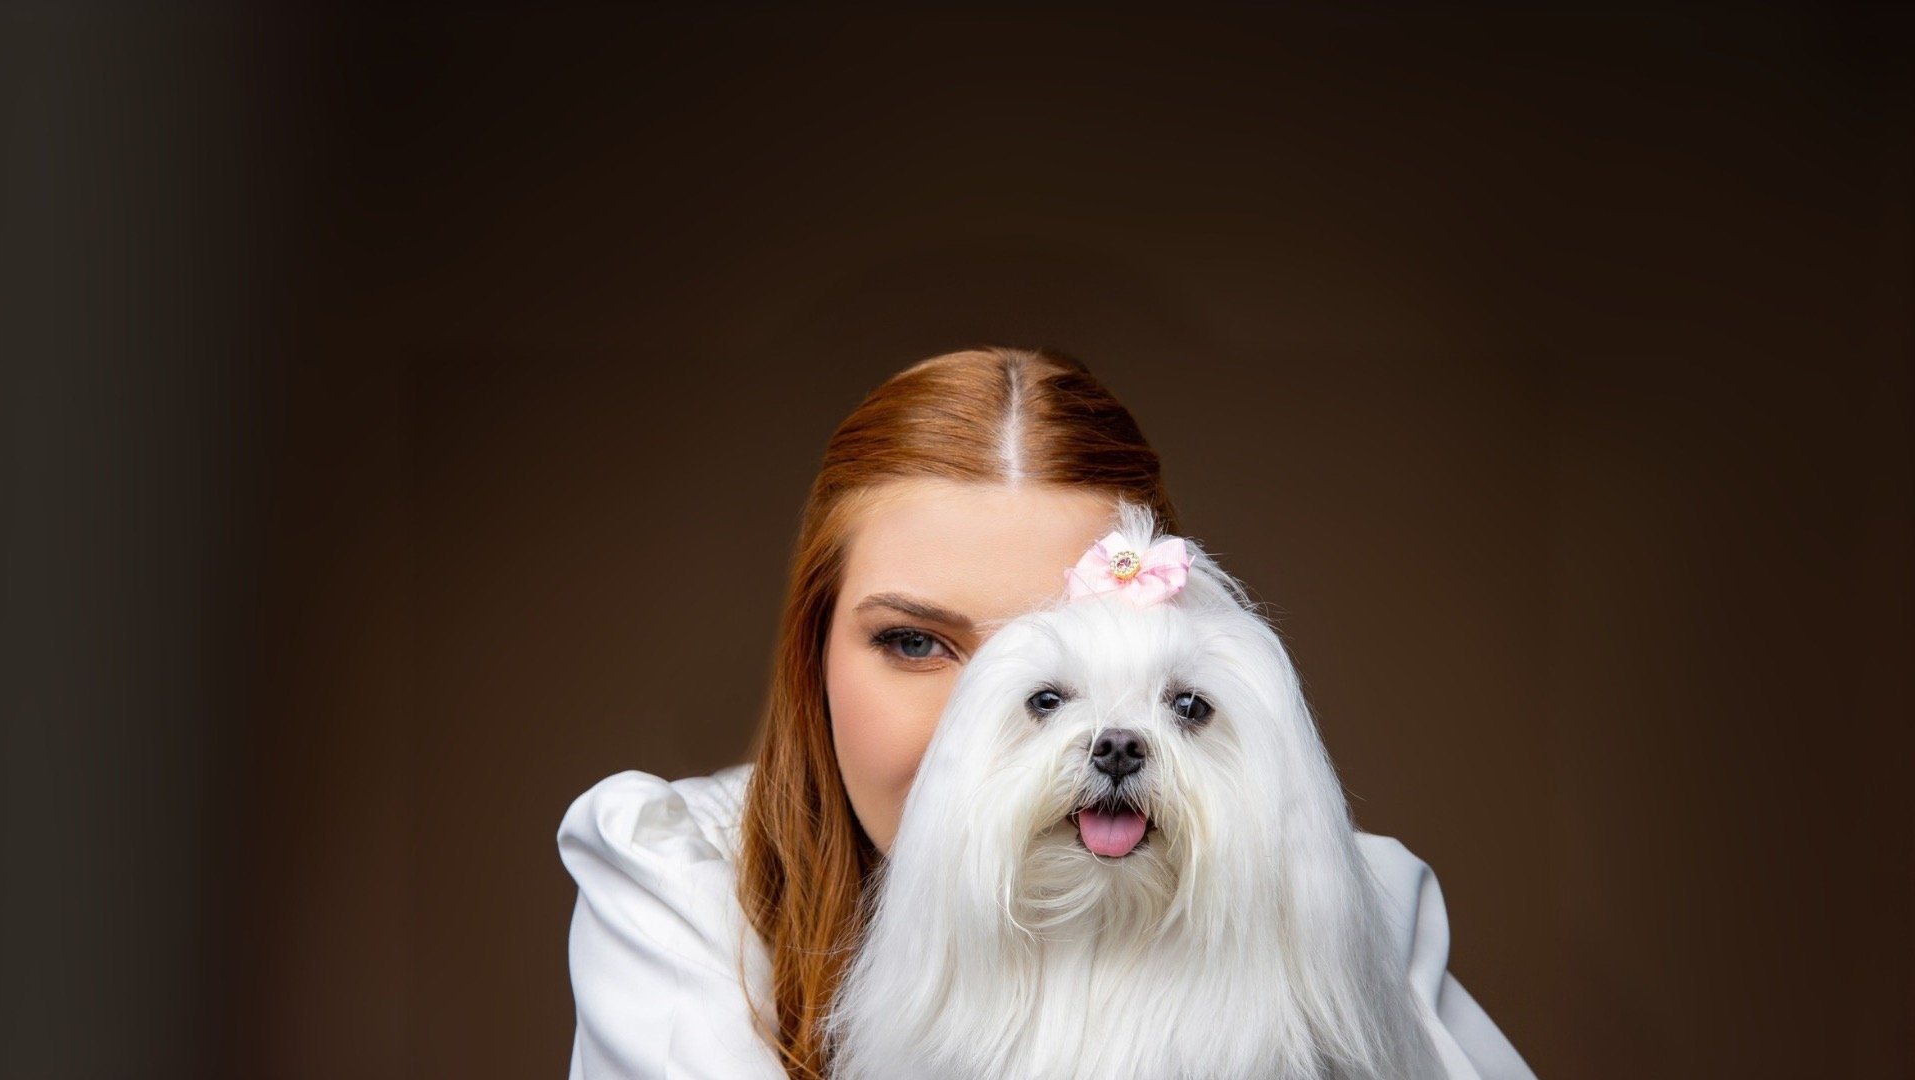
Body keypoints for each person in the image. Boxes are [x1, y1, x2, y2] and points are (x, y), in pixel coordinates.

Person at [558, 345, 1536, 1080]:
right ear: (810, 659)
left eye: (1051, 666)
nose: (978, 733)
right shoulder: (674, 882)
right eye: (913, 643)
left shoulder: (1359, 902)